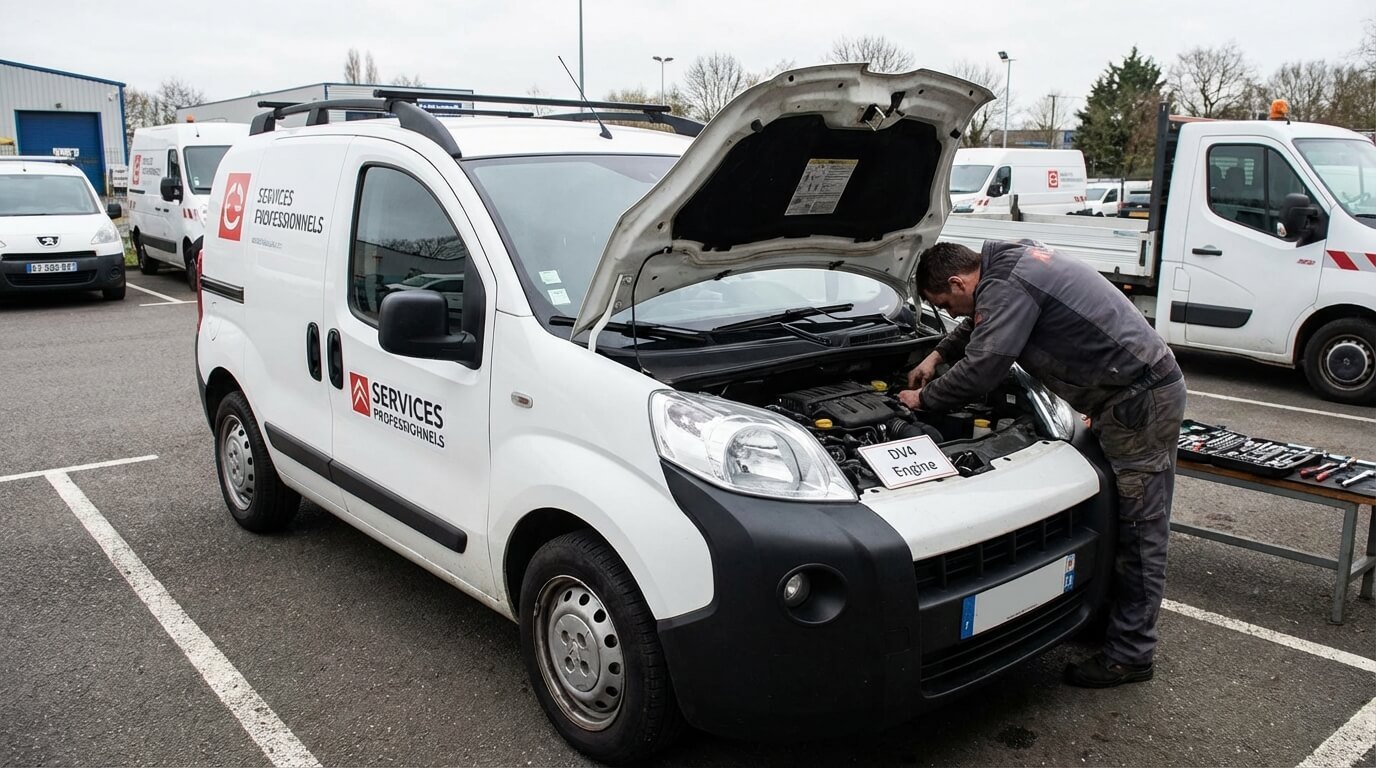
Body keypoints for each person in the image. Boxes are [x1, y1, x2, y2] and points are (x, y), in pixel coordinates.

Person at [898, 240, 1187, 688]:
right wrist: (937, 354)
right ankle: (1107, 622)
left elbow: (985, 368)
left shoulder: (1007, 284)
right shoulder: (1005, 264)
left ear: (958, 281)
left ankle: (1131, 654)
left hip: (1137, 404)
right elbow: (979, 322)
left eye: (946, 304)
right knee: (1119, 517)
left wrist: (923, 398)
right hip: (1127, 395)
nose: (953, 314)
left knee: (1140, 531)